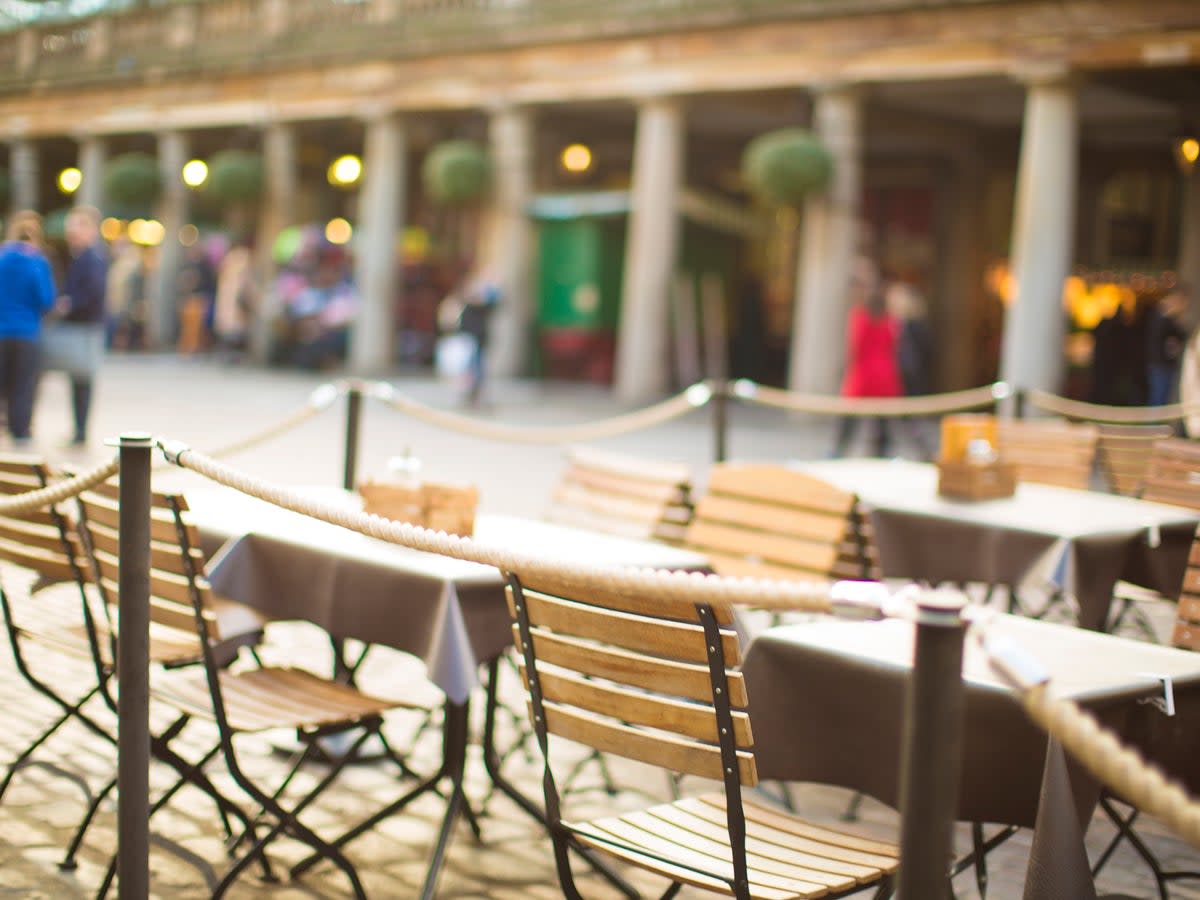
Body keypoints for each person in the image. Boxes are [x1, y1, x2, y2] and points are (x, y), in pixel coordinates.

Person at [53, 205, 108, 447]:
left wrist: (69, 304)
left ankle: (80, 430)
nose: (70, 233)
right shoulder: (82, 256)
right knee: (79, 380)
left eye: (75, 226)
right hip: (84, 326)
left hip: (85, 327)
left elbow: (93, 292)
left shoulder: (91, 257)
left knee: (83, 380)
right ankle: (78, 430)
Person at [832, 270, 902, 458]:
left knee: (850, 418)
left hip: (863, 373)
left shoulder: (860, 317)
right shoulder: (889, 319)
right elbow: (894, 345)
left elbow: (855, 347)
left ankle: (839, 451)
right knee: (882, 421)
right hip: (884, 373)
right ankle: (881, 453)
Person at [0, 211, 55, 445]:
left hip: (1, 329)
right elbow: (46, 298)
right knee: (24, 383)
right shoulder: (37, 261)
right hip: (27, 331)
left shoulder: (1, 257)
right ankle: (19, 429)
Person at [454, 271, 500, 408]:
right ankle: (471, 394)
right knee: (471, 367)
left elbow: (495, 301)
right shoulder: (470, 302)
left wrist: (492, 286)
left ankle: (476, 395)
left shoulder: (486, 302)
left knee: (477, 368)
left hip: (478, 338)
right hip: (470, 337)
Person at [1146, 284, 1190, 407]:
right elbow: (1173, 338)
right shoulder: (1163, 316)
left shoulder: (1165, 317)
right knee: (1159, 398)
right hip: (1160, 364)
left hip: (1162, 363)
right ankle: (1155, 425)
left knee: (1162, 398)